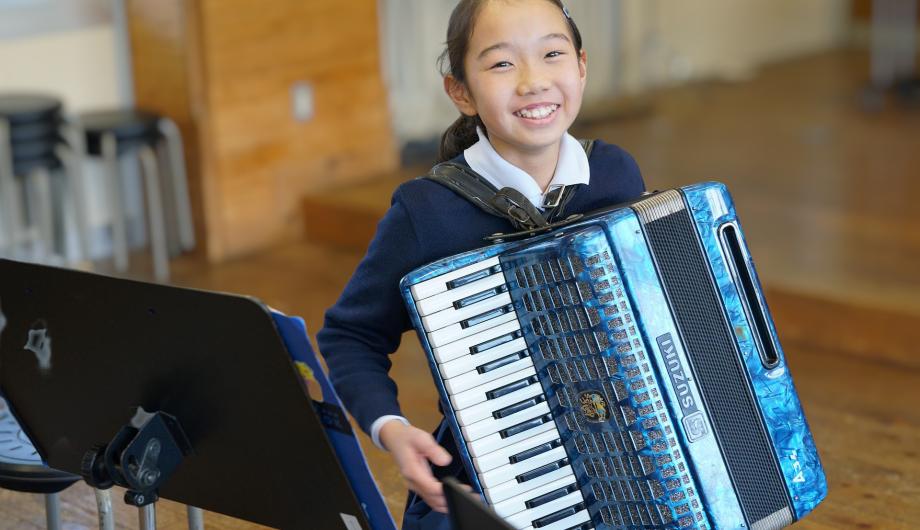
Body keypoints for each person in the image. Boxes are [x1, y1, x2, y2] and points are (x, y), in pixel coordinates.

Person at [316, 1, 646, 528]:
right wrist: (390, 427)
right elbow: (350, 335)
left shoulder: (613, 174)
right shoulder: (427, 211)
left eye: (552, 54)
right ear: (460, 91)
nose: (533, 81)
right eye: (501, 64)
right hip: (490, 470)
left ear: (581, 66)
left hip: (623, 457)